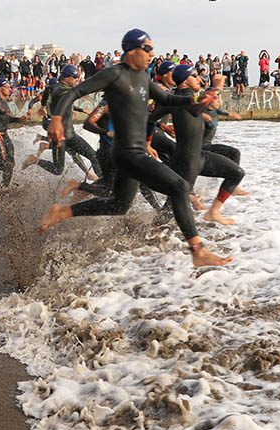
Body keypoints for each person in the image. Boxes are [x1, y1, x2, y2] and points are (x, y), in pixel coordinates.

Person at [40, 29, 232, 267]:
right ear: (132, 51)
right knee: (180, 187)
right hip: (127, 153)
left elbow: (167, 100)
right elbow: (76, 92)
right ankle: (198, 251)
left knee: (119, 205)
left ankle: (62, 212)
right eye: (148, 49)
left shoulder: (143, 77)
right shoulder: (114, 74)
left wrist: (194, 100)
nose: (153, 54)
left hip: (133, 152)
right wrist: (57, 118)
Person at [151, 65, 245, 226]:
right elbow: (148, 118)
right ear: (186, 80)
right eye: (195, 76)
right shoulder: (180, 98)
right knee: (171, 207)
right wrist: (217, 87)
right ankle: (149, 233)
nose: (199, 79)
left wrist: (162, 127)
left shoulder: (182, 99)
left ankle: (213, 212)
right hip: (186, 161)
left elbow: (150, 118)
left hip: (199, 156)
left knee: (236, 173)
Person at [23, 65, 101, 180]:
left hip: (71, 135)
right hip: (59, 136)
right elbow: (48, 93)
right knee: (57, 169)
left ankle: (103, 184)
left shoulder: (57, 90)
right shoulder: (63, 90)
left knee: (93, 156)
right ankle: (35, 159)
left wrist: (43, 106)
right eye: (75, 77)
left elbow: (48, 93)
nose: (77, 79)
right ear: (66, 77)